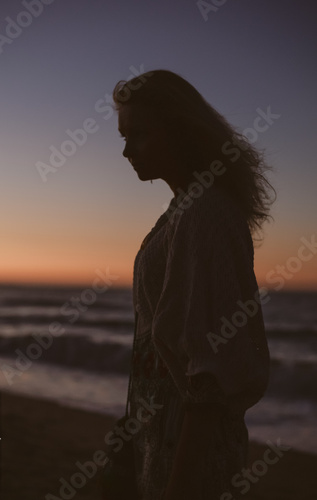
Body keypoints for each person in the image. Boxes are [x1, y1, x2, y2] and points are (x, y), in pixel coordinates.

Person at [112, 69, 276, 500]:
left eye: (139, 135)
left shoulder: (205, 213)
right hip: (160, 440)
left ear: (180, 130)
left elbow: (210, 373)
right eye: (123, 138)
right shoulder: (183, 209)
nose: (127, 151)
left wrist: (180, 487)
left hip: (188, 456)